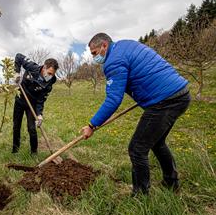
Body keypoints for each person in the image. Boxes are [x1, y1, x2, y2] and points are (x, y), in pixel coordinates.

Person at [81, 33, 191, 196]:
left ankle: (140, 195)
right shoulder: (126, 45)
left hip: (164, 101)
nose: (94, 58)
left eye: (94, 53)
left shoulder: (113, 62)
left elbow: (113, 99)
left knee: (137, 148)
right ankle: (171, 182)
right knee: (157, 143)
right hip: (180, 94)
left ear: (104, 45)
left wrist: (92, 125)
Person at [12, 54, 59, 154]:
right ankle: (15, 150)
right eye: (49, 73)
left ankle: (34, 152)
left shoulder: (49, 85)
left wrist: (39, 114)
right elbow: (18, 56)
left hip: (31, 105)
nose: (50, 76)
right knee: (16, 126)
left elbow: (40, 101)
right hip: (20, 100)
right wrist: (16, 72)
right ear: (44, 67)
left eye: (53, 75)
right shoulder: (32, 67)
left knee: (32, 129)